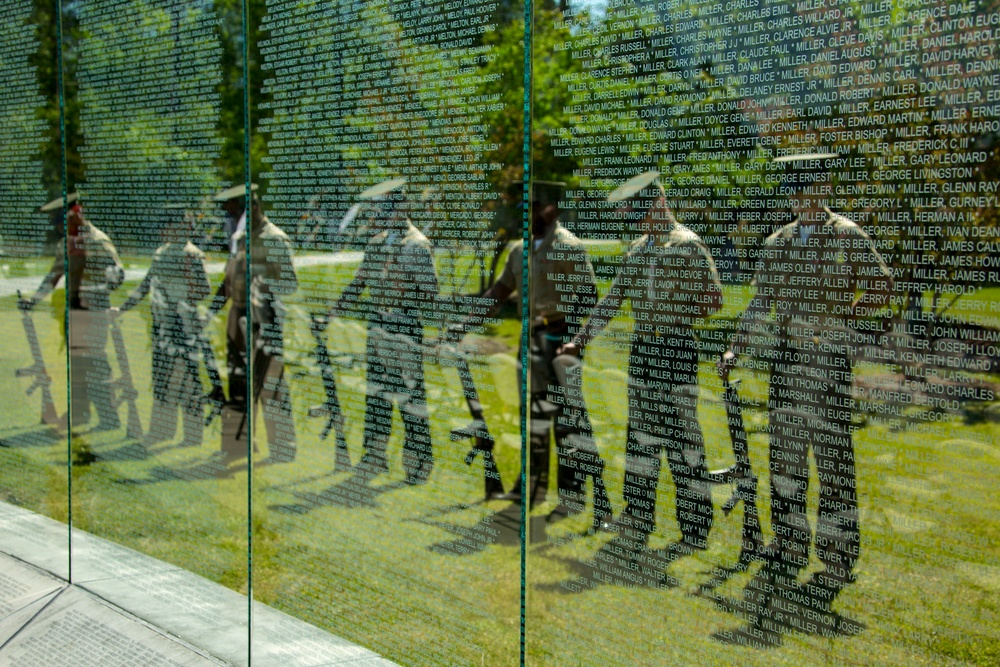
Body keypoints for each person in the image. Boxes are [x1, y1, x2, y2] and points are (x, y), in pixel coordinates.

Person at [718, 152, 894, 627]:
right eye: (795, 189)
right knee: (787, 458)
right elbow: (761, 302)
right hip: (788, 360)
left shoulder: (847, 235)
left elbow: (882, 285)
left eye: (809, 187)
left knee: (834, 459)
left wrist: (844, 323)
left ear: (823, 188)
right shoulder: (778, 241)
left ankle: (839, 551)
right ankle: (790, 541)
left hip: (828, 363)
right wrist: (735, 348)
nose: (802, 196)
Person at [560, 170, 722, 560]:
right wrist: (580, 340)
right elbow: (613, 299)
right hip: (644, 350)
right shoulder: (638, 248)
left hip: (677, 348)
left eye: (641, 211)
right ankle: (637, 516)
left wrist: (678, 311)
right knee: (640, 436)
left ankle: (696, 528)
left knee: (684, 440)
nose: (637, 220)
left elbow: (714, 300)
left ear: (659, 203)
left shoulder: (688, 245)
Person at [451, 180, 610, 524]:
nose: (525, 212)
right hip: (530, 341)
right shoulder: (519, 251)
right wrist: (464, 323)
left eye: (532, 206)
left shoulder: (568, 246)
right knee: (532, 418)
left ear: (548, 209)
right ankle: (530, 488)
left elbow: (589, 298)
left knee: (566, 421)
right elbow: (498, 291)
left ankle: (572, 496)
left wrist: (570, 339)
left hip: (559, 339)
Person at [324, 178, 438, 484]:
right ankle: (374, 458)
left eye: (388, 206)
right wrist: (332, 313)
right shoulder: (375, 242)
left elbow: (431, 293)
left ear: (403, 206)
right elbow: (359, 282)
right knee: (376, 395)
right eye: (380, 207)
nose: (383, 213)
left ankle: (418, 465)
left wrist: (407, 277)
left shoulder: (416, 244)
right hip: (378, 325)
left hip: (404, 325)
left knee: (410, 396)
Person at [20, 194, 124, 431]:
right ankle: (80, 413)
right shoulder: (66, 242)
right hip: (73, 310)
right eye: (57, 223)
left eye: (62, 220)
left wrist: (104, 283)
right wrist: (33, 301)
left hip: (93, 310)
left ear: (77, 214)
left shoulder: (98, 241)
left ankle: (108, 418)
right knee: (76, 363)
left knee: (95, 363)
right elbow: (53, 275)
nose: (59, 227)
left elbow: (117, 276)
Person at [212, 184, 298, 462]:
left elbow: (289, 283)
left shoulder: (274, 239)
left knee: (270, 383)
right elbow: (228, 280)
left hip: (264, 319)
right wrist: (212, 310)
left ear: (254, 208)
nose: (233, 218)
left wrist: (258, 275)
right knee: (237, 381)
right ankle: (238, 445)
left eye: (236, 211)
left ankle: (282, 448)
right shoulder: (239, 238)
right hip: (237, 316)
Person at [114, 206, 211, 447]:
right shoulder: (160, 253)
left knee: (188, 382)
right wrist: (122, 308)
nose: (165, 230)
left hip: (184, 328)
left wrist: (183, 295)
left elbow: (204, 290)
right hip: (161, 328)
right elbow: (146, 284)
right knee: (162, 379)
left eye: (172, 225)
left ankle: (192, 435)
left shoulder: (192, 254)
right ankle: (162, 431)